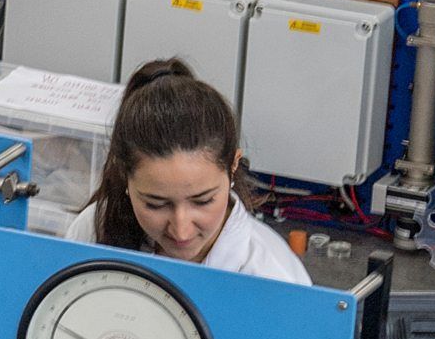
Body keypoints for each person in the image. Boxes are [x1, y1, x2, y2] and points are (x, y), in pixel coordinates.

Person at [88, 58, 309, 284]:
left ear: (233, 165)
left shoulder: (273, 277)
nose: (181, 231)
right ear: (125, 175)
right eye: (155, 204)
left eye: (203, 201)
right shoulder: (94, 228)